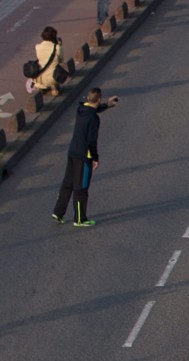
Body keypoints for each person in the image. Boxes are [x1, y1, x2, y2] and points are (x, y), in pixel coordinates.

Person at [52, 87, 119, 228]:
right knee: (81, 188)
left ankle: (58, 213)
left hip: (72, 151)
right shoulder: (94, 119)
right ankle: (80, 218)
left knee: (67, 184)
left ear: (88, 98)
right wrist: (95, 158)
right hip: (84, 156)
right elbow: (91, 141)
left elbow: (92, 109)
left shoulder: (81, 109)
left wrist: (107, 105)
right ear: (99, 99)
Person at [29, 27, 62, 97]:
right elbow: (61, 60)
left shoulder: (38, 47)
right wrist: (59, 45)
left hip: (39, 78)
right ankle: (53, 88)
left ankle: (40, 88)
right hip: (53, 78)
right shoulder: (57, 48)